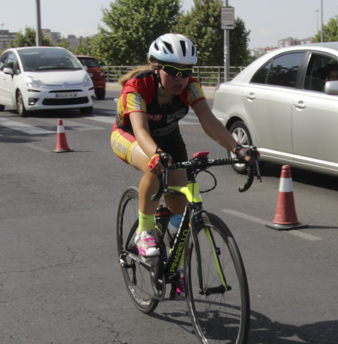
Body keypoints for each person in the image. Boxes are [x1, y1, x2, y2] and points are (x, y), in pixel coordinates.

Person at [110, 33, 257, 257]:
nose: (180, 79)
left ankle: (174, 270)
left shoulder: (191, 88)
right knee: (154, 167)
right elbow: (140, 129)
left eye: (186, 72)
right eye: (173, 71)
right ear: (156, 67)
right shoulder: (137, 87)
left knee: (180, 214)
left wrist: (237, 148)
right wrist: (157, 154)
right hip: (130, 136)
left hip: (169, 138)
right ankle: (144, 231)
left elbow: (209, 121)